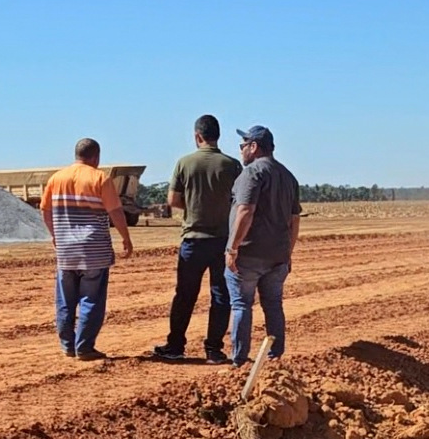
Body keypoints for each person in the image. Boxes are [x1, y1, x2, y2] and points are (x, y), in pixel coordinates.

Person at [152, 115, 242, 363]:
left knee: (185, 295)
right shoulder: (232, 165)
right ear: (217, 136)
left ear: (197, 136)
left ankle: (176, 345)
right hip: (222, 240)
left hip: (193, 239)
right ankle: (214, 349)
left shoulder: (185, 163)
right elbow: (240, 202)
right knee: (221, 296)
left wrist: (193, 207)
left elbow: (173, 200)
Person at [41, 138, 134, 361]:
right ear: (96, 157)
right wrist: (126, 238)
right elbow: (116, 212)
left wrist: (55, 235)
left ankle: (67, 345)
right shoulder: (100, 178)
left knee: (65, 300)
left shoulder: (56, 178)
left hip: (66, 252)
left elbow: (44, 210)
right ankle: (84, 346)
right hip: (94, 250)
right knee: (91, 299)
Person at [224, 125, 302, 367]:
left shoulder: (252, 173)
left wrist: (232, 248)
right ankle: (275, 356)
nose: (241, 151)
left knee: (241, 304)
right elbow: (294, 220)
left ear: (254, 147)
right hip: (278, 255)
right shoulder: (288, 177)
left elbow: (246, 210)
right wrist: (287, 253)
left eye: (243, 145)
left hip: (249, 252)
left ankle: (239, 359)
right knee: (273, 304)